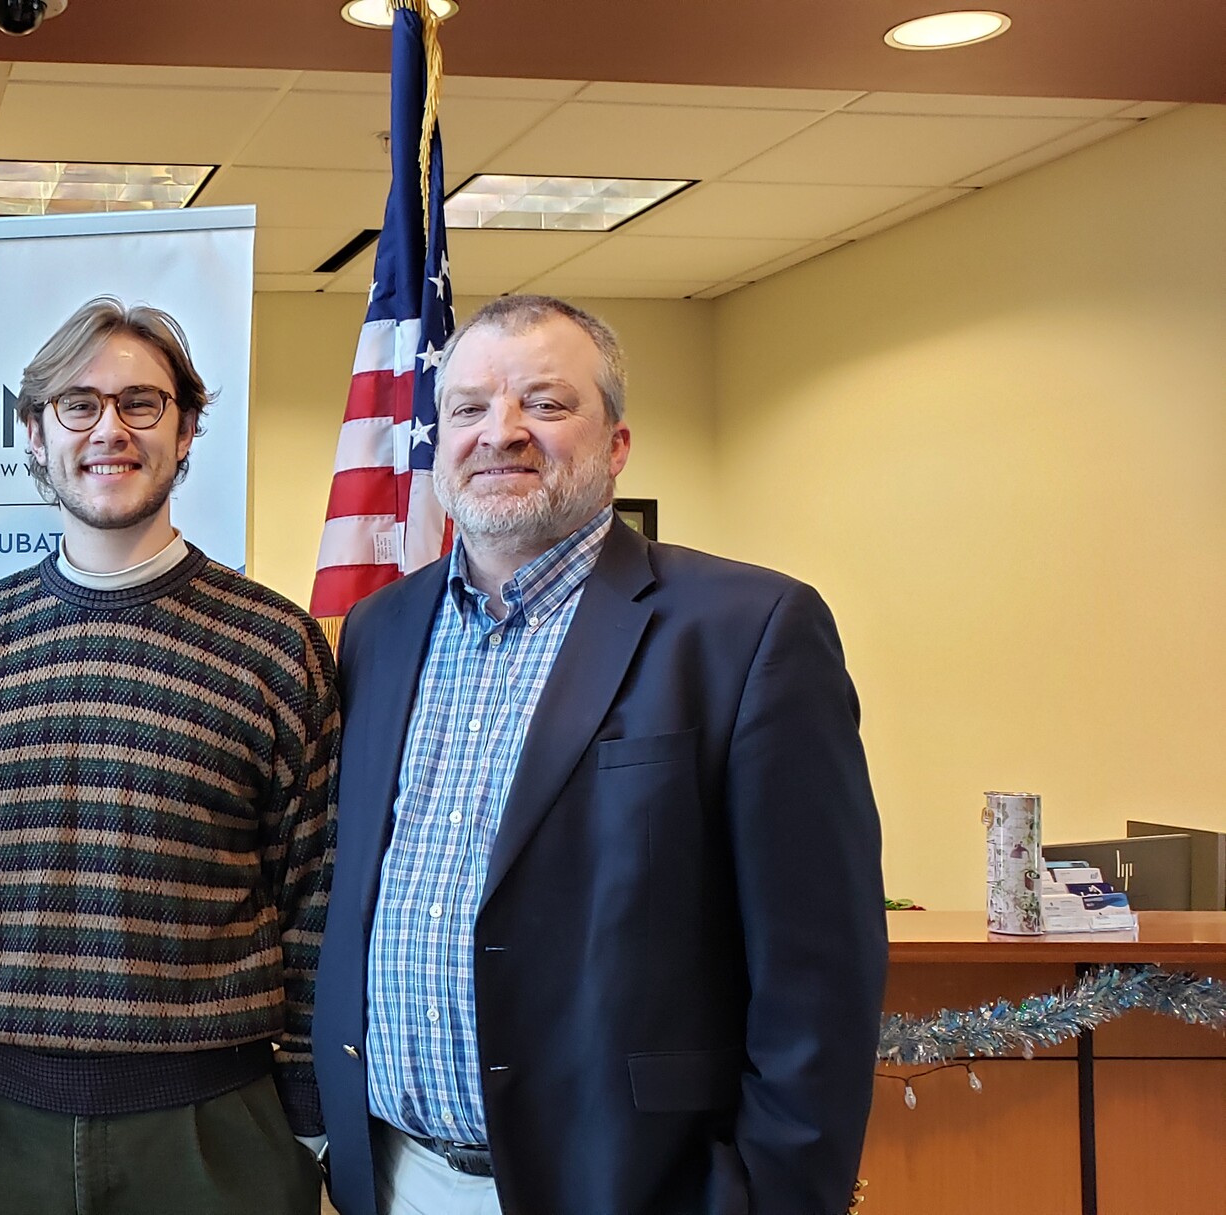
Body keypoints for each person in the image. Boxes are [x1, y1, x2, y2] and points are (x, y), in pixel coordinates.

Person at [317, 295, 887, 1215]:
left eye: (544, 402)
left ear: (617, 445)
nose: (499, 433)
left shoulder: (748, 631)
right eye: (467, 409)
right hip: (393, 1178)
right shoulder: (379, 632)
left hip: (632, 1187)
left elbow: (818, 979)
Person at [0, 297, 339, 1215]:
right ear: (36, 434)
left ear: (187, 430)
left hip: (215, 1136)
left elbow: (316, 896)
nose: (109, 430)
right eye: (78, 405)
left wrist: (307, 1104)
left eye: (142, 402)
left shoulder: (275, 645)